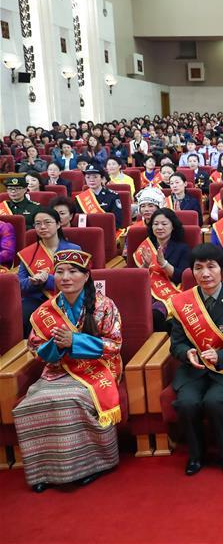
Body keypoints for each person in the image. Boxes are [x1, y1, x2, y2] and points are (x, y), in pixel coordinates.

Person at [13, 250, 122, 493]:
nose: (65, 277)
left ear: (86, 276)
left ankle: (94, 465)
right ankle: (44, 471)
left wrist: (75, 341)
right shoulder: (45, 311)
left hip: (98, 367)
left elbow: (115, 345)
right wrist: (57, 345)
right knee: (31, 403)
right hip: (58, 369)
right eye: (60, 272)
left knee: (71, 399)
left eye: (73, 271)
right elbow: (36, 349)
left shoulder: (104, 305)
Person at [168, 244, 223, 476]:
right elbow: (176, 344)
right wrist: (186, 353)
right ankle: (196, 455)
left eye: (211, 267)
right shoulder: (182, 303)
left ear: (222, 269)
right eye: (198, 268)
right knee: (187, 403)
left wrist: (221, 356)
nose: (205, 273)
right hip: (194, 369)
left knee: (215, 401)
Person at [18, 207, 83, 336]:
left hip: (67, 298)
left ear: (58, 224)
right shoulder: (28, 253)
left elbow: (78, 280)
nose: (42, 227)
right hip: (36, 299)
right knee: (23, 312)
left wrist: (48, 279)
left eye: (47, 222)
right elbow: (20, 284)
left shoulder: (73, 250)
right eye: (38, 224)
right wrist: (33, 282)